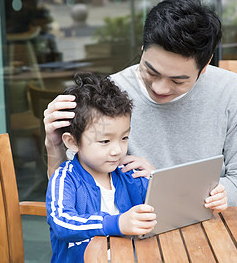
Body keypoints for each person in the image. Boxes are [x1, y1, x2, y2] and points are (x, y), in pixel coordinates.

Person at [44, 0, 237, 209]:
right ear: (142, 50)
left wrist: (162, 180)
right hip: (134, 228)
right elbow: (74, 193)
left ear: (205, 64)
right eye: (150, 71)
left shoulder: (232, 92)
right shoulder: (108, 97)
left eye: (178, 80)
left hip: (211, 219)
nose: (160, 88)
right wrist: (54, 145)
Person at [46, 72, 157, 262]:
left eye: (124, 138)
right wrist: (116, 223)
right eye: (105, 141)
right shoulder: (65, 179)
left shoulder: (127, 173)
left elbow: (160, 205)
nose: (117, 150)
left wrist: (156, 178)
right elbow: (61, 223)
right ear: (72, 142)